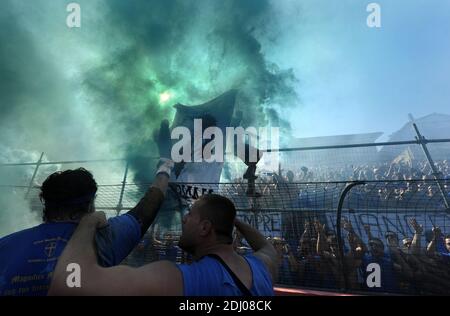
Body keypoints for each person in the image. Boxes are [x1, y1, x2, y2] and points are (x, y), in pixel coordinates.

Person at [0, 120, 174, 296]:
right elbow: (149, 206)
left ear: (45, 202)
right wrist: (165, 161)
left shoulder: (5, 245)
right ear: (90, 204)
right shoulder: (102, 240)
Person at [48, 194, 278, 296]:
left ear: (206, 228)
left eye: (190, 214)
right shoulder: (262, 269)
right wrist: (229, 218)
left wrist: (87, 225)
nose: (184, 219)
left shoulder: (174, 279)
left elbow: (70, 284)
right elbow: (267, 247)